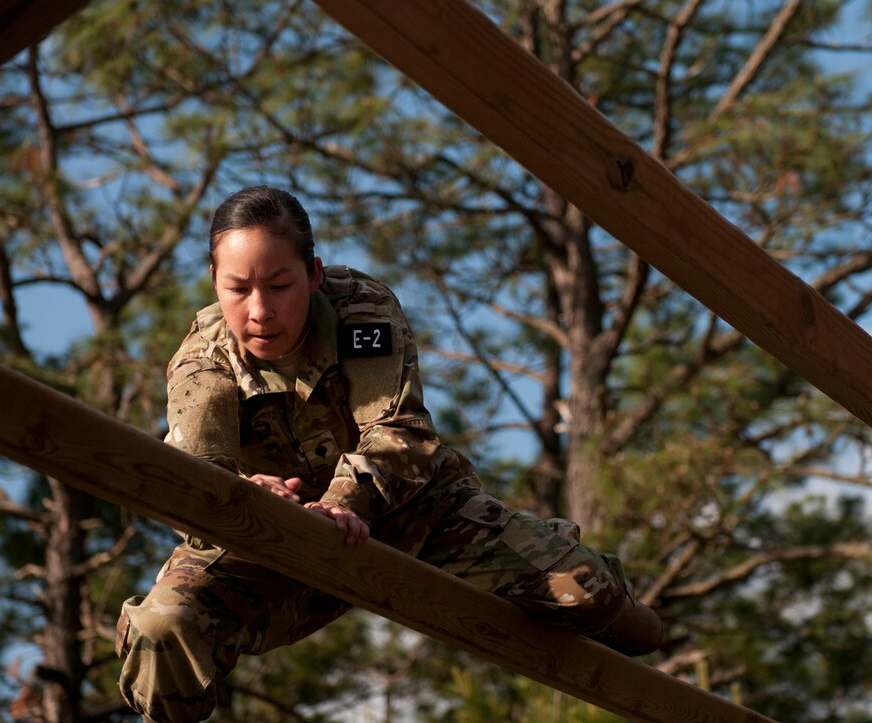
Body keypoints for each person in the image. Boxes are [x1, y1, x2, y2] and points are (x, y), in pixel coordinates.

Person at [115, 185, 663, 721]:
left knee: (583, 592)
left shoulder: (361, 313)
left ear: (314, 273)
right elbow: (196, 476)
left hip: (411, 512)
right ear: (214, 282)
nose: (259, 310)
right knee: (161, 632)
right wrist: (247, 497)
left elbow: (396, 430)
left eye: (280, 285)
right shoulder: (202, 360)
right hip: (272, 539)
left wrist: (342, 504)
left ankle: (623, 611)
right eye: (238, 289)